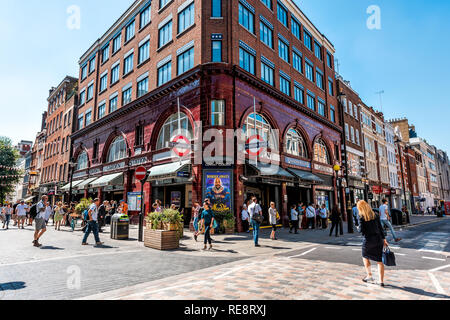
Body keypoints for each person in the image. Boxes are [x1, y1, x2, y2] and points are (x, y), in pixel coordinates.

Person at [358, 200, 389, 287]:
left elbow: (361, 231)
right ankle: (381, 281)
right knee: (379, 260)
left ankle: (370, 276)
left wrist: (357, 226)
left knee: (365, 257)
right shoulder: (375, 215)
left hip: (368, 240)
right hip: (378, 239)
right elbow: (380, 228)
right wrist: (384, 239)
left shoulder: (361, 216)